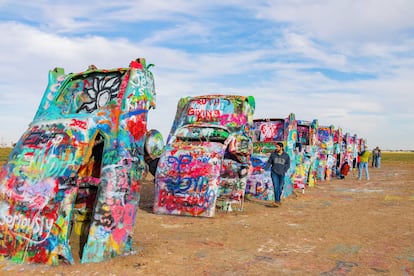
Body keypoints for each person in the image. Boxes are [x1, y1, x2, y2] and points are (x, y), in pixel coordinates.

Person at [264, 142, 290, 207]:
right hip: (274, 173)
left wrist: (285, 170)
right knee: (276, 187)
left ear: (281, 148)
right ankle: (277, 201)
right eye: (276, 147)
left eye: (278, 147)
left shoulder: (286, 155)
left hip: (282, 173)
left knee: (280, 187)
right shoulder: (273, 154)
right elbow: (269, 162)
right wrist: (264, 169)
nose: (276, 148)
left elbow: (288, 164)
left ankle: (278, 199)